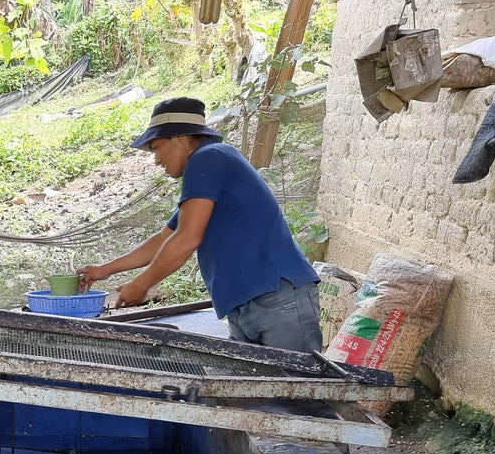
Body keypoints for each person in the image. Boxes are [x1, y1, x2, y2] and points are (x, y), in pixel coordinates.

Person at [76, 96, 322, 353]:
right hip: (249, 303)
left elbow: (186, 239)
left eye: (157, 147)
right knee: (258, 389)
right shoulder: (209, 170)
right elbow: (165, 238)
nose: (156, 159)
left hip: (275, 296)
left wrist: (141, 285)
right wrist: (105, 269)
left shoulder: (208, 158)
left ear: (180, 137)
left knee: (297, 387)